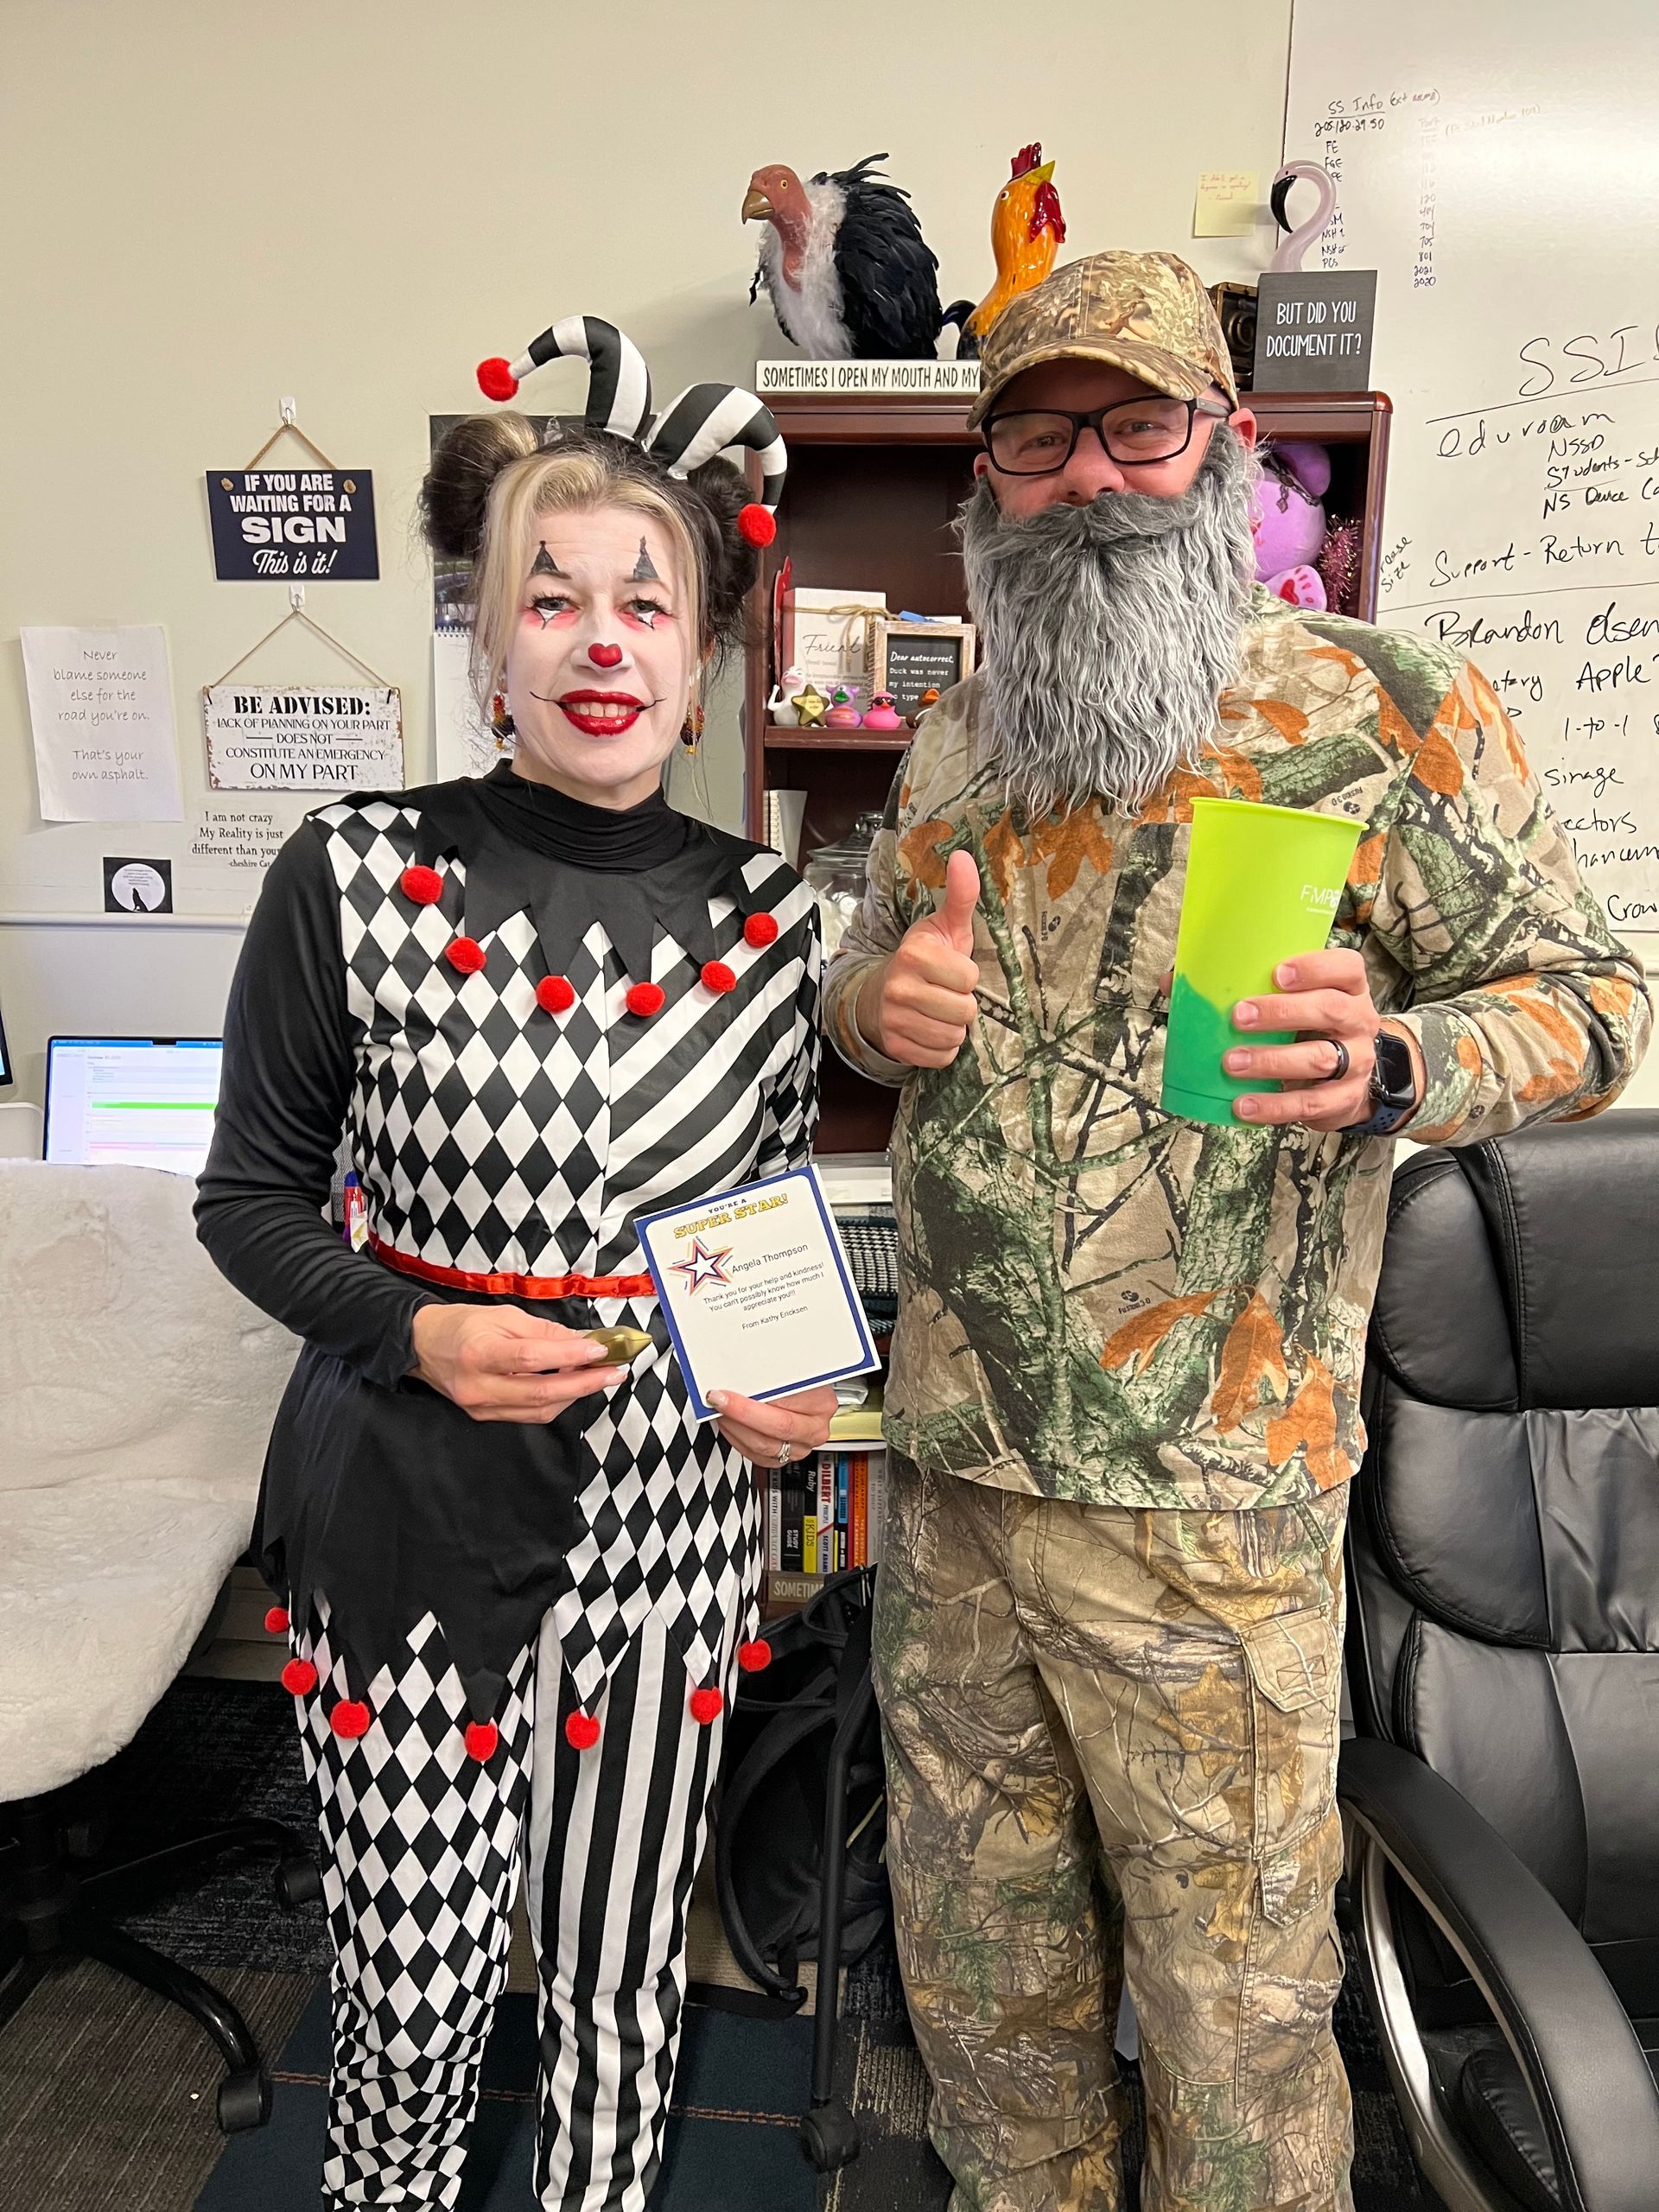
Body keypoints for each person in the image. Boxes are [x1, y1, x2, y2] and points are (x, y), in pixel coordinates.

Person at [822, 251, 1652, 2212]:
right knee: (987, 2010)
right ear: (985, 477)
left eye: (1138, 423)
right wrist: (873, 1011)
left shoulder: (1378, 711)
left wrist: (1396, 1059)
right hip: (948, 1500)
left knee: (1236, 2036)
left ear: (1225, 448)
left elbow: (1596, 1003)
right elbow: (872, 986)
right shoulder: (951, 744)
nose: (1088, 473)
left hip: (1213, 1526)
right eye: (1037, 432)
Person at [196, 316, 834, 2212]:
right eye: (550, 595)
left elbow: (754, 1206)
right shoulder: (354, 867)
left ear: (707, 651)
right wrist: (418, 1326)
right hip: (402, 1521)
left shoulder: (775, 910)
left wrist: (788, 1386)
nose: (603, 635)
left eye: (648, 598)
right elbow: (248, 1199)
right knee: (411, 1996)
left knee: (629, 1988)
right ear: (487, 641)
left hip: (667, 1539)